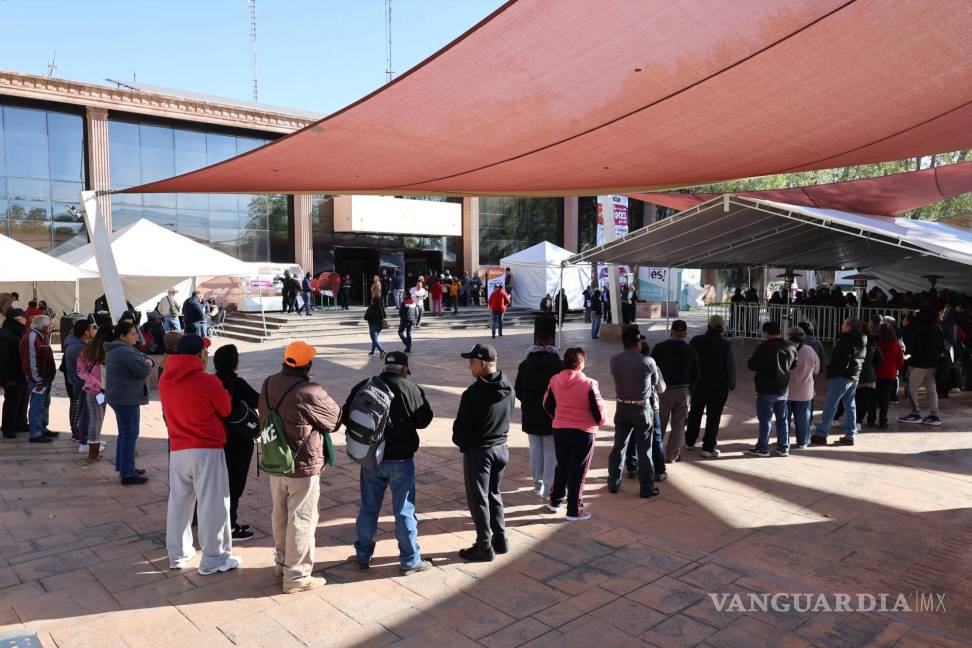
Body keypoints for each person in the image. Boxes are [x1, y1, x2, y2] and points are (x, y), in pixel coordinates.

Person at [259, 341, 341, 593]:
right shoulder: (309, 390)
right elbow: (335, 419)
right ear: (308, 364)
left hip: (275, 459)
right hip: (301, 463)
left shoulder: (268, 382)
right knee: (302, 518)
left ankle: (282, 562)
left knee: (280, 513)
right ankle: (296, 576)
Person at [343, 352, 434, 575]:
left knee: (368, 509)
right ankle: (410, 561)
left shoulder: (365, 385)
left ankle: (363, 555)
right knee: (404, 510)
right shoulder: (411, 389)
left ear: (385, 367)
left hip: (370, 458)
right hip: (400, 460)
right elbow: (424, 420)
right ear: (404, 369)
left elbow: (347, 416)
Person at [160, 335, 241, 575]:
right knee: (213, 504)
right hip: (206, 448)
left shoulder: (166, 379)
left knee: (179, 503)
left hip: (178, 449)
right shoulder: (207, 382)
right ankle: (215, 558)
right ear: (200, 355)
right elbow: (226, 408)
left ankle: (178, 554)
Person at [452, 343, 514, 561]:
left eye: (472, 362)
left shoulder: (473, 394)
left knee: (478, 498)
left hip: (480, 452)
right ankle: (500, 538)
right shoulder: (508, 385)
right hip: (501, 449)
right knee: (493, 494)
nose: (469, 366)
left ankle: (484, 545)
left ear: (483, 364)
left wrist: (463, 441)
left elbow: (460, 430)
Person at [544, 347, 607, 520]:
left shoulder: (554, 379)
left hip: (560, 429)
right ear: (580, 363)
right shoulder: (589, 384)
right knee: (578, 471)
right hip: (583, 432)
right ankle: (574, 510)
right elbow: (599, 412)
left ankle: (555, 501)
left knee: (562, 466)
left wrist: (558, 417)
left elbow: (547, 404)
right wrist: (598, 423)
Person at [213, 345, 260, 541]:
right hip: (240, 440)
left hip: (218, 439)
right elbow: (258, 400)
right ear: (234, 362)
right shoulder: (237, 382)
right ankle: (230, 526)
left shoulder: (213, 381)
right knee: (234, 484)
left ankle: (218, 521)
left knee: (218, 483)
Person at [608, 327, 661, 497]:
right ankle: (646, 487)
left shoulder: (614, 360)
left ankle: (614, 482)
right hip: (641, 408)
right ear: (638, 344)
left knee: (619, 447)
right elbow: (654, 383)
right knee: (644, 450)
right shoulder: (648, 361)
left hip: (622, 407)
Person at [514, 332, 563, 501]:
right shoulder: (559, 365)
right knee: (550, 451)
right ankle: (549, 488)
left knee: (535, 449)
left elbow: (518, 390)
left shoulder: (525, 364)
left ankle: (537, 484)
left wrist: (529, 402)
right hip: (551, 413)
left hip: (530, 412)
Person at [105, 321, 154, 484]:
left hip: (122, 396)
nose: (137, 336)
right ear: (122, 336)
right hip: (125, 398)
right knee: (129, 434)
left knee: (125, 434)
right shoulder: (123, 351)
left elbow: (142, 358)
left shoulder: (122, 348)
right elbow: (143, 369)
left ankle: (126, 467)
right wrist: (148, 363)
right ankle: (127, 473)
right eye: (133, 333)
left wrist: (146, 361)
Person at [810, 318, 866, 447]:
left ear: (849, 327)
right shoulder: (862, 340)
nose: (841, 325)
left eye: (844, 324)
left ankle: (822, 434)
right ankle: (850, 435)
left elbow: (842, 360)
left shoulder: (846, 340)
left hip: (842, 376)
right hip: (853, 376)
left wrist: (833, 372)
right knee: (850, 405)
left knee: (831, 405)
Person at [685, 315, 735, 458]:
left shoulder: (696, 341)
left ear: (708, 326)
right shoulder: (726, 345)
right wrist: (732, 384)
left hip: (698, 385)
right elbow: (730, 366)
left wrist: (689, 381)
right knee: (714, 417)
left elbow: (689, 362)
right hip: (719, 387)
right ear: (722, 328)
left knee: (695, 413)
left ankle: (689, 442)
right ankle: (708, 447)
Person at [746, 321, 798, 456]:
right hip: (782, 389)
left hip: (765, 389)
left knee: (765, 420)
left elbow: (752, 365)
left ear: (766, 333)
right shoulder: (791, 347)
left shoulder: (762, 347)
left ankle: (762, 447)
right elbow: (793, 365)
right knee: (782, 419)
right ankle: (783, 447)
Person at [652, 320, 700, 463]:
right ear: (685, 334)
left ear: (671, 332)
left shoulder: (659, 348)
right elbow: (697, 375)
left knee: (659, 425)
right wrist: (689, 391)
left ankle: (656, 455)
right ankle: (672, 455)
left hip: (663, 392)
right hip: (683, 392)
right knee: (678, 427)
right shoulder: (691, 351)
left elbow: (651, 369)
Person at [899, 306, 946, 426]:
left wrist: (911, 363)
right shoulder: (937, 327)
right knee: (931, 389)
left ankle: (915, 414)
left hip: (920, 364)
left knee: (912, 388)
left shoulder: (922, 329)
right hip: (933, 363)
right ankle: (934, 415)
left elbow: (918, 349)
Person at [19, 315, 57, 444]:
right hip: (38, 379)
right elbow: (31, 361)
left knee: (44, 404)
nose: (50, 328)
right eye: (49, 326)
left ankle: (42, 428)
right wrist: (38, 380)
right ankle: (35, 433)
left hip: (44, 378)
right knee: (37, 405)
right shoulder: (33, 337)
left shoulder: (40, 336)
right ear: (43, 327)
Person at [77, 325, 111, 460]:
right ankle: (92, 446)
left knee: (99, 417)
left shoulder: (109, 350)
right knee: (95, 418)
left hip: (105, 390)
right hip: (94, 390)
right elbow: (81, 371)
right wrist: (94, 383)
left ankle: (95, 441)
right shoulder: (88, 350)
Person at [784, 326, 819, 449]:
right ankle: (803, 442)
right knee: (803, 418)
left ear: (789, 336)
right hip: (805, 390)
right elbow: (817, 369)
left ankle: (784, 442)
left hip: (786, 389)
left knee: (785, 418)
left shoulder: (785, 348)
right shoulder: (810, 350)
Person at [62, 319, 93, 446]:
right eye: (93, 328)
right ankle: (80, 435)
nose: (95, 330)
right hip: (80, 385)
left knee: (80, 409)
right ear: (86, 332)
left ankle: (82, 435)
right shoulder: (77, 348)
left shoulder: (78, 345)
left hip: (79, 384)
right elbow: (79, 371)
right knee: (79, 409)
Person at [0, 309, 29, 439]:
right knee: (11, 400)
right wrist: (7, 377)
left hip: (22, 372)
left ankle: (20, 423)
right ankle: (8, 426)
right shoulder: (5, 334)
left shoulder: (19, 331)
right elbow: (3, 358)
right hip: (11, 374)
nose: (26, 320)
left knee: (23, 399)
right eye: (23, 318)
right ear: (17, 319)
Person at [875, 321, 905, 428]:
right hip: (890, 374)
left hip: (877, 373)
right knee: (885, 399)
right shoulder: (896, 344)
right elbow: (900, 360)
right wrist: (895, 368)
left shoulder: (877, 343)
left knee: (874, 397)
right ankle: (883, 420)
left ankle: (871, 418)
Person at [855, 324, 885, 428]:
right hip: (869, 376)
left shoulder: (855, 343)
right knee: (866, 401)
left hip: (855, 375)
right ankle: (859, 421)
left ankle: (854, 421)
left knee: (853, 400)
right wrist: (872, 367)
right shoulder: (873, 345)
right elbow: (880, 360)